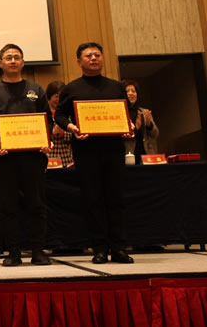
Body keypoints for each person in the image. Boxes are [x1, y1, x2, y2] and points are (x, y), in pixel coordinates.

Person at [54, 42, 135, 264]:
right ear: (79, 61)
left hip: (113, 148)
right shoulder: (71, 88)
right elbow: (59, 115)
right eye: (88, 55)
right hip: (85, 150)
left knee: (116, 198)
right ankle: (99, 248)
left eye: (97, 55)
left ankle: (119, 248)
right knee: (93, 199)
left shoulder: (116, 87)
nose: (93, 58)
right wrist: (72, 128)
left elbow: (129, 111)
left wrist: (129, 124)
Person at [0, 44, 53, 266]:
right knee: (7, 206)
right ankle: (13, 252)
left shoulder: (36, 89)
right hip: (5, 157)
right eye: (8, 57)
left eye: (16, 57)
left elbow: (47, 120)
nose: (12, 61)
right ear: (0, 63)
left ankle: (38, 251)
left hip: (34, 157)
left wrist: (46, 139)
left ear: (23, 62)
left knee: (36, 204)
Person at [121, 79, 159, 161]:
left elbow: (155, 134)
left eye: (133, 91)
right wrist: (135, 128)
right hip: (128, 154)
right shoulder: (120, 113)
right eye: (127, 91)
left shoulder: (144, 111)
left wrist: (149, 125)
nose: (131, 93)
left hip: (146, 154)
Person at [46, 80, 73, 167]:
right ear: (49, 97)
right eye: (56, 96)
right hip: (49, 160)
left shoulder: (69, 113)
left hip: (67, 159)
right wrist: (52, 134)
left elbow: (76, 134)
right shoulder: (45, 115)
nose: (59, 100)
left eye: (62, 96)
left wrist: (63, 133)